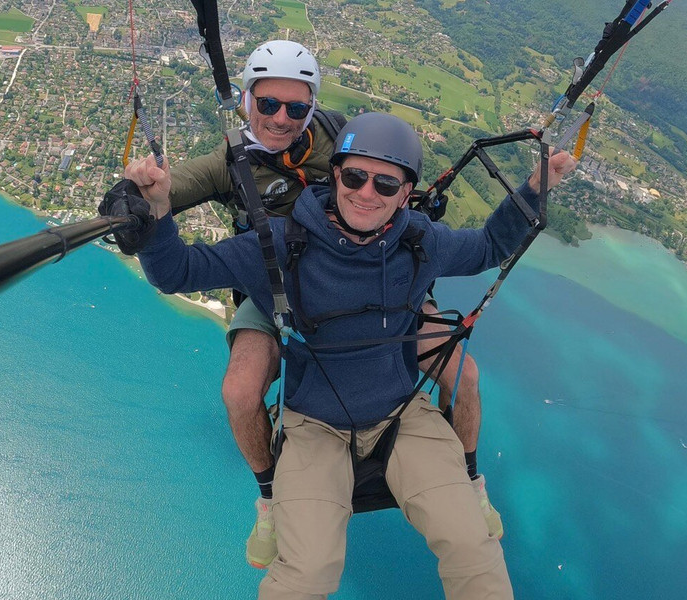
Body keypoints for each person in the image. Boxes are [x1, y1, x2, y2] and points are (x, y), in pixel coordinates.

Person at [126, 112, 577, 599]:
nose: (366, 193)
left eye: (385, 183)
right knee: (306, 574)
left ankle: (470, 487)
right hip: (314, 425)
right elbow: (178, 273)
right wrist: (156, 214)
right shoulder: (278, 246)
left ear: (406, 194)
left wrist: (534, 188)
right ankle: (272, 507)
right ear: (335, 175)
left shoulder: (421, 242)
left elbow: (489, 247)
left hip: (402, 418)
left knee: (473, 546)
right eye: (355, 176)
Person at [151, 40, 497, 569]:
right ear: (248, 101)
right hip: (274, 288)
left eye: (295, 106)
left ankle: (469, 478)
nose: (280, 118)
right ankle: (270, 494)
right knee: (241, 390)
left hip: (370, 280)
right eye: (267, 104)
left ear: (311, 107)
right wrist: (139, 202)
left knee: (463, 375)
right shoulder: (230, 164)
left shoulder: (337, 134)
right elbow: (176, 189)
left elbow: (386, 161)